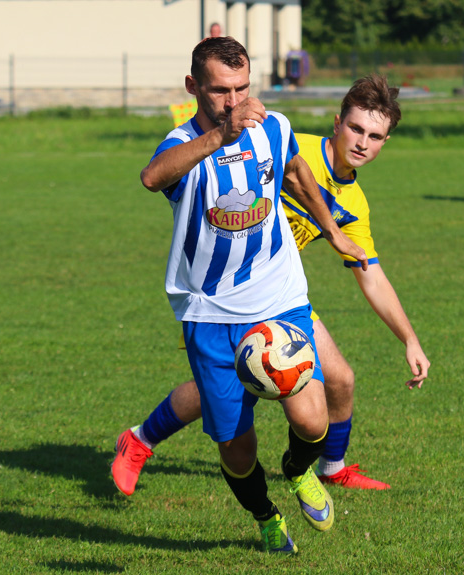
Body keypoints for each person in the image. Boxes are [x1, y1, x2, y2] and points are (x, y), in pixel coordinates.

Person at [114, 73, 430, 502]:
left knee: (337, 379)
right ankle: (141, 438)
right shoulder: (283, 142)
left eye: (375, 136)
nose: (361, 142)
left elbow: (369, 271)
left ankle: (329, 468)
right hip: (223, 290)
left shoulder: (354, 204)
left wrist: (409, 339)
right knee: (245, 382)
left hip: (278, 294)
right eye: (356, 129)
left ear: (384, 143)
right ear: (337, 124)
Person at [136, 36, 369, 554]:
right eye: (221, 91)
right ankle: (265, 515)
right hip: (210, 313)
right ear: (195, 87)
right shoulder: (182, 142)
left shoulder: (274, 127)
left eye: (243, 88)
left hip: (277, 296)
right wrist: (220, 134)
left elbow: (296, 172)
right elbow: (152, 177)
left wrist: (330, 229)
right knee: (238, 453)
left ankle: (298, 470)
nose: (235, 101)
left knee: (311, 419)